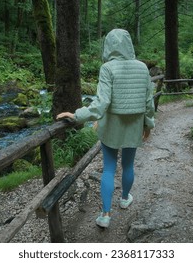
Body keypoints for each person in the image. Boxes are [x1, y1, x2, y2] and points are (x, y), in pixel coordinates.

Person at [56, 29, 155, 228]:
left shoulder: (107, 68)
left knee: (109, 169)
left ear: (108, 46)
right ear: (129, 44)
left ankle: (106, 215)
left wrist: (76, 115)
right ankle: (125, 198)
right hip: (134, 125)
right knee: (128, 165)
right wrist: (148, 125)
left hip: (112, 126)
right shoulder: (143, 68)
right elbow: (149, 102)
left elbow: (101, 103)